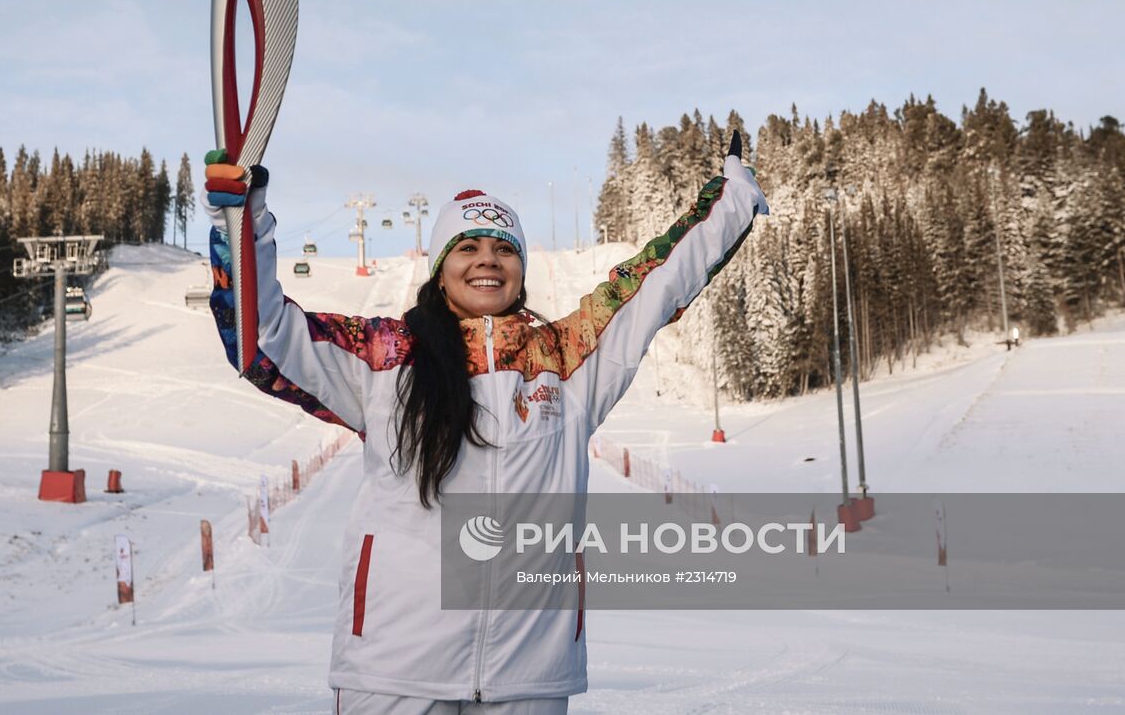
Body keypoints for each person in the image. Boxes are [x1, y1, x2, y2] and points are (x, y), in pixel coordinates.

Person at [205, 135, 768, 714]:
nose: (487, 259)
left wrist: (731, 199)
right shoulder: (385, 357)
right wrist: (239, 221)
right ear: (440, 267)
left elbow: (656, 281)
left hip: (529, 671)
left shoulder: (569, 361)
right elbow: (261, 339)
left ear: (521, 267)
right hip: (395, 667)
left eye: (504, 248)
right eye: (467, 246)